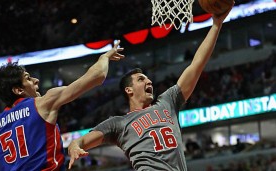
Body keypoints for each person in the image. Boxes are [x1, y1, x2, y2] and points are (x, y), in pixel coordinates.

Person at [67, 6, 234, 171]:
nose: (149, 82)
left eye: (148, 79)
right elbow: (80, 141)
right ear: (129, 90)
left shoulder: (167, 102)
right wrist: (74, 146)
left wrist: (216, 25)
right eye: (141, 79)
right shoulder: (118, 124)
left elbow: (196, 66)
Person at [0, 41, 124, 170]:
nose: (36, 80)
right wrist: (104, 57)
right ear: (18, 90)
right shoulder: (41, 104)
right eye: (28, 78)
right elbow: (96, 76)